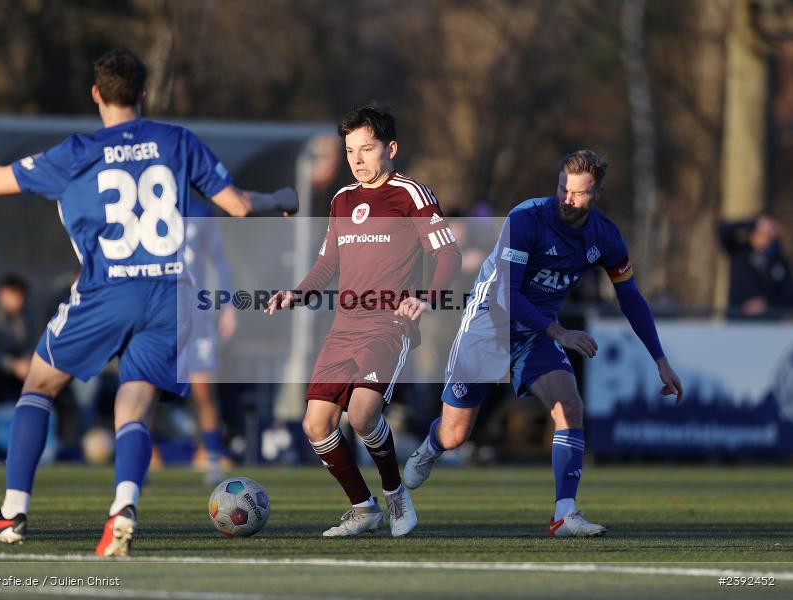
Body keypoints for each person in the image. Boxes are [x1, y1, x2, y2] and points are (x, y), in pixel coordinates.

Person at [0, 48, 297, 556]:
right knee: (135, 405)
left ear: (97, 94)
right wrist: (280, 198)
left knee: (38, 384)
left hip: (109, 290)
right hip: (171, 295)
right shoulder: (177, 140)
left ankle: (13, 513)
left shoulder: (78, 151)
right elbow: (236, 205)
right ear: (143, 94)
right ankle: (123, 503)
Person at [404, 150, 683, 537]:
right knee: (455, 435)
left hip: (537, 333)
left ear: (597, 193)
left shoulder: (606, 237)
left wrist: (660, 359)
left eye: (579, 193)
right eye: (562, 188)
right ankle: (430, 448)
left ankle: (563, 514)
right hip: (489, 323)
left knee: (569, 406)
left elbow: (631, 298)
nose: (567, 199)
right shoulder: (526, 219)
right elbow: (508, 295)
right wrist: (560, 333)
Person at [265, 104, 461, 537]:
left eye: (366, 149)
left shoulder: (411, 194)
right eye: (350, 150)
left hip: (389, 324)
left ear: (390, 148)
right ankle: (363, 507)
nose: (356, 159)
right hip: (344, 327)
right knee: (315, 424)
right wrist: (294, 294)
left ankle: (395, 496)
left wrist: (426, 299)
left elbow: (448, 254)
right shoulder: (341, 200)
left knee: (362, 415)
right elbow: (327, 263)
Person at [180, 212, 236, 485]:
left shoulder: (200, 213)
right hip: (159, 313)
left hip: (197, 317)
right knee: (146, 386)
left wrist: (229, 306)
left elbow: (220, 261)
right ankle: (143, 456)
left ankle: (212, 456)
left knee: (204, 390)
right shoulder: (147, 198)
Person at [718, 215, 793, 317]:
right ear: (753, 233)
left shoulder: (780, 262)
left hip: (767, 324)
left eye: (769, 234)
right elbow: (722, 230)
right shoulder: (740, 252)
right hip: (737, 321)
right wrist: (753, 223)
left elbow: (788, 297)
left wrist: (767, 305)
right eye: (761, 233)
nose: (765, 237)